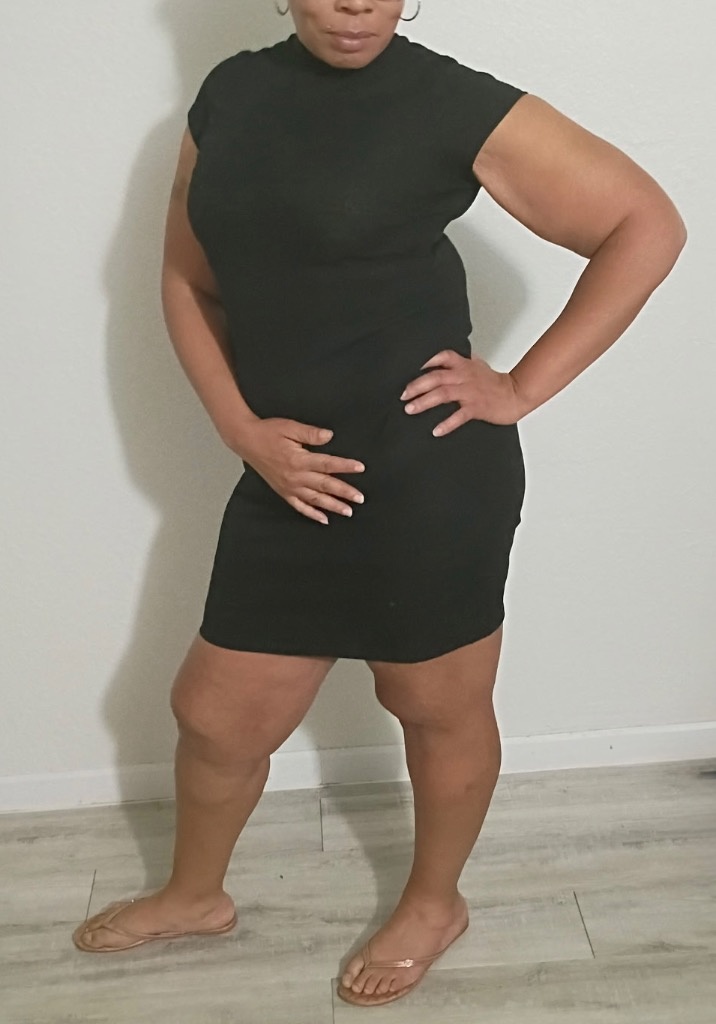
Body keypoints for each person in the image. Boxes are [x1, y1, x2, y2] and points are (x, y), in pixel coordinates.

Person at [71, 0, 687, 1009]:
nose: (356, 2)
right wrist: (240, 429)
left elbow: (644, 223)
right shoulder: (231, 94)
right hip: (286, 475)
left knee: (434, 709)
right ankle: (194, 894)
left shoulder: (451, 103)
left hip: (426, 473)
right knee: (214, 716)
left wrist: (519, 386)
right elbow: (188, 278)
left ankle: (434, 903)